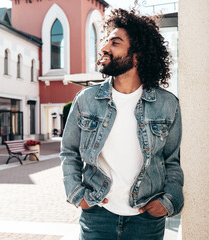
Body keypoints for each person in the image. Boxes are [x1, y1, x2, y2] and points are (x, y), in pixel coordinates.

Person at [60, 8, 183, 240]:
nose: (104, 48)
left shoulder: (168, 104)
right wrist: (77, 194)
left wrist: (168, 202)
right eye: (105, 42)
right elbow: (69, 152)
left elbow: (172, 162)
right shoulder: (86, 100)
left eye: (115, 43)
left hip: (146, 218)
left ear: (137, 56)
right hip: (97, 215)